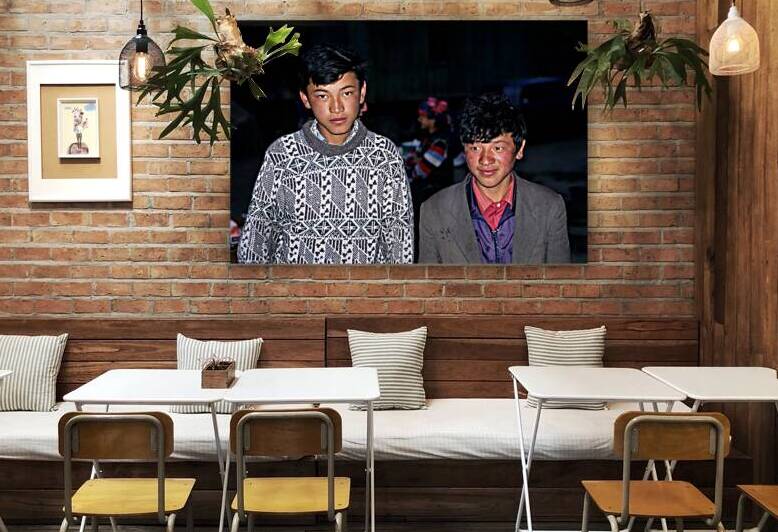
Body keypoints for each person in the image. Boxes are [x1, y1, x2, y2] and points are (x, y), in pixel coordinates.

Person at [238, 44, 413, 264]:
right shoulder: (283, 155)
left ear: (362, 93)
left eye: (346, 93)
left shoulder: (385, 156)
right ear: (305, 99)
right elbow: (254, 245)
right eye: (322, 96)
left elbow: (400, 247)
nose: (336, 107)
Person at [418, 93, 570, 264]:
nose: (485, 160)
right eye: (475, 148)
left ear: (519, 149)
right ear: (464, 149)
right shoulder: (434, 211)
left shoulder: (549, 207)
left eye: (497, 148)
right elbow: (429, 288)